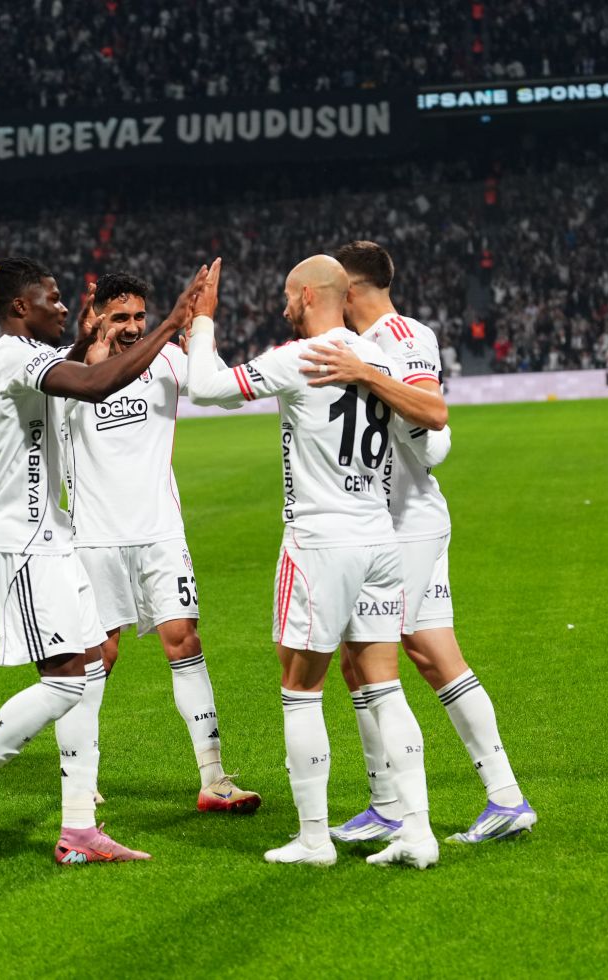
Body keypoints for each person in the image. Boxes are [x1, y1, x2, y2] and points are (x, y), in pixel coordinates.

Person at [0, 256, 207, 867]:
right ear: (20, 307)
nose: (63, 306)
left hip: (53, 536)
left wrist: (80, 340)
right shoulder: (7, 355)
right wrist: (171, 323)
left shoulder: (15, 355)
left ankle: (78, 829)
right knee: (65, 682)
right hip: (21, 540)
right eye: (51, 299)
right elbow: (94, 384)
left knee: (85, 671)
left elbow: (69, 370)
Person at [187, 255, 450, 868]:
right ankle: (418, 832)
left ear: (307, 295)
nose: (283, 306)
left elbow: (204, 388)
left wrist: (203, 322)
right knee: (385, 688)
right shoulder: (378, 357)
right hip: (378, 537)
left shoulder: (300, 357)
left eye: (287, 295)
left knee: (301, 691)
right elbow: (430, 423)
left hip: (318, 541)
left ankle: (313, 839)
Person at [299, 240, 536, 844]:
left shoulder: (399, 337)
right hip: (400, 521)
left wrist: (365, 374)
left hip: (403, 523)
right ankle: (503, 797)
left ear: (350, 290)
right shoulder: (366, 341)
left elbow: (433, 415)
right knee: (432, 654)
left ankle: (393, 806)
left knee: (363, 659)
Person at [58, 272, 261, 813]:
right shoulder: (68, 371)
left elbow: (224, 396)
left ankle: (213, 778)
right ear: (96, 315)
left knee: (184, 641)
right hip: (93, 538)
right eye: (120, 317)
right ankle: (80, 779)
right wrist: (86, 349)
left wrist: (198, 337)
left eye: (139, 317)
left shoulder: (168, 359)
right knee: (98, 654)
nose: (132, 327)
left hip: (160, 533)